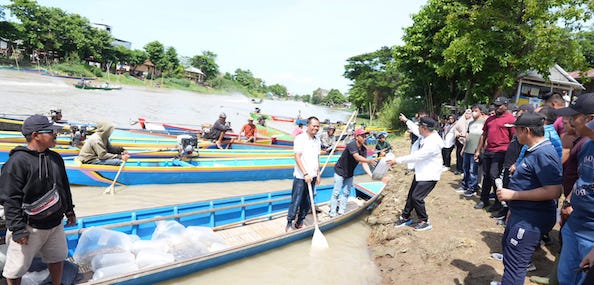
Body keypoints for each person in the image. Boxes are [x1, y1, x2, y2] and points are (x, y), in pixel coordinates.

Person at [0, 115, 77, 285]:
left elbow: (63, 187)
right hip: (29, 226)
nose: (54, 135)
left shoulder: (55, 158)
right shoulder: (17, 162)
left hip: (55, 224)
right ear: (36, 135)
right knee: (16, 268)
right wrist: (18, 229)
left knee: (57, 258)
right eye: (50, 131)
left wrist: (69, 210)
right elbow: (10, 199)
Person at [494, 112, 562, 285]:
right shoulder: (534, 151)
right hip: (521, 215)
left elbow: (554, 190)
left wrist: (513, 195)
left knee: (516, 267)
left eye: (516, 130)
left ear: (527, 131)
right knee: (510, 259)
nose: (514, 134)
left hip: (530, 219)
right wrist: (513, 208)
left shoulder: (543, 153)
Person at [555, 93, 594, 284]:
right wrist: (568, 201)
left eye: (574, 117)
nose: (569, 122)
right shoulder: (586, 146)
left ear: (590, 119)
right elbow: (581, 179)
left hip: (591, 236)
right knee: (566, 278)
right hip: (574, 225)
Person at [391, 117, 444, 231]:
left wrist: (397, 160)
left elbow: (416, 156)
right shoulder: (427, 134)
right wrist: (406, 121)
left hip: (429, 175)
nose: (418, 128)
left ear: (424, 128)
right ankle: (405, 217)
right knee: (411, 196)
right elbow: (415, 129)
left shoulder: (432, 143)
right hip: (421, 172)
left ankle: (424, 221)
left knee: (417, 197)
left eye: (419, 126)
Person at [473, 96, 516, 211]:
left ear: (506, 105)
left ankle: (498, 202)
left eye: (499, 105)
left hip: (501, 151)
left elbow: (514, 138)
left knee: (494, 176)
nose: (496, 107)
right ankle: (484, 199)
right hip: (488, 151)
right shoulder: (490, 119)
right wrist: (478, 150)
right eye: (495, 105)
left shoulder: (511, 119)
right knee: (486, 176)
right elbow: (484, 135)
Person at [328, 128, 376, 217]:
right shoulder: (352, 145)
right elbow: (357, 157)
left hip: (349, 173)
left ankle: (341, 211)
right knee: (336, 192)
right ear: (357, 137)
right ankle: (332, 212)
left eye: (365, 136)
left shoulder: (364, 149)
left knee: (346, 192)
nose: (364, 138)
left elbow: (364, 163)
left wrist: (371, 175)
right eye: (362, 136)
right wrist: (369, 161)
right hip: (340, 171)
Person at [286, 116, 321, 231]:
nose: (316, 128)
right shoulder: (300, 138)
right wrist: (305, 174)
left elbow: (317, 157)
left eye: (318, 126)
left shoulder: (317, 140)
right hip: (302, 177)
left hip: (313, 176)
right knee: (296, 200)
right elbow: (297, 157)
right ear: (308, 125)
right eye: (314, 126)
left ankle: (300, 220)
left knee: (307, 202)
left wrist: (318, 173)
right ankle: (289, 221)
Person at [459, 105, 487, 195]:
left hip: (476, 150)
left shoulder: (484, 122)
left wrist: (481, 149)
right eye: (473, 111)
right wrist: (464, 148)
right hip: (468, 149)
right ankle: (464, 185)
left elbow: (484, 137)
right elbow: (467, 136)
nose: (474, 112)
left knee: (473, 170)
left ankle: (472, 188)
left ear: (480, 112)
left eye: (476, 111)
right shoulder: (470, 123)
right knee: (465, 168)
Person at [453, 109, 472, 175]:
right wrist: (457, 134)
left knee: (465, 156)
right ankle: (458, 169)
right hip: (459, 140)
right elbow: (455, 129)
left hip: (467, 141)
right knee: (458, 155)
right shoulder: (460, 120)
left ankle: (464, 170)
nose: (467, 115)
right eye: (466, 113)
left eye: (469, 114)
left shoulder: (472, 121)